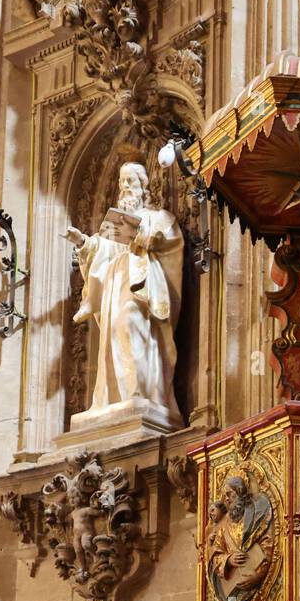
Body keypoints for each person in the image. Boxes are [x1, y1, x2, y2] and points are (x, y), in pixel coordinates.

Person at [66, 162, 184, 425]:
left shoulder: (157, 216)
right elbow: (101, 248)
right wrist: (83, 243)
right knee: (112, 335)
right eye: (122, 182)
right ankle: (115, 398)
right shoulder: (114, 224)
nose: (126, 188)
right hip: (114, 284)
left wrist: (145, 237)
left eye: (131, 181)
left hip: (142, 284)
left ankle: (142, 391)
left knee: (130, 323)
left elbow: (169, 239)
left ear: (144, 187)